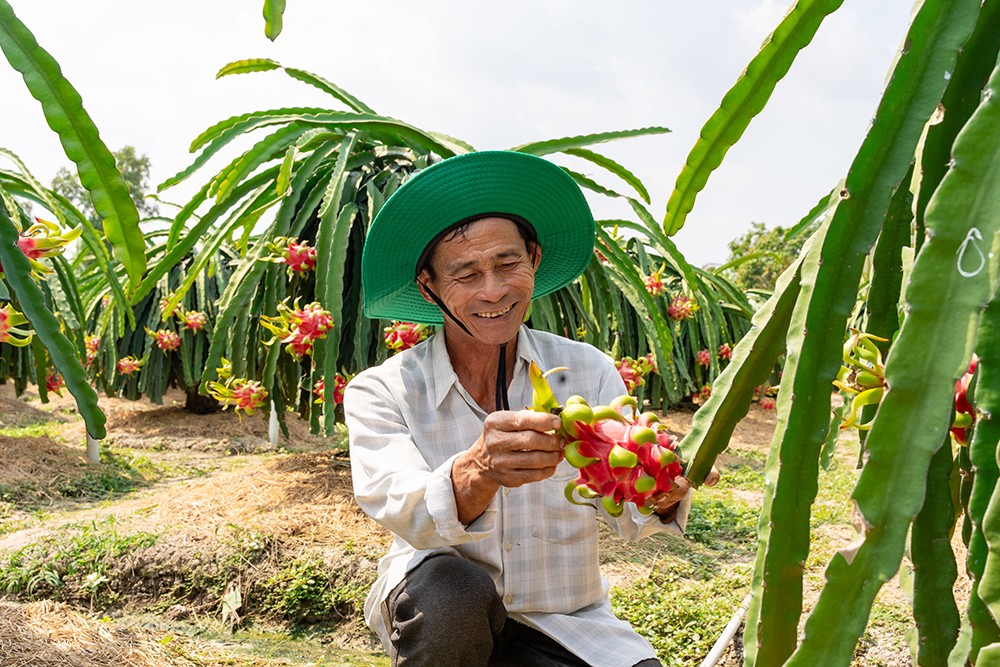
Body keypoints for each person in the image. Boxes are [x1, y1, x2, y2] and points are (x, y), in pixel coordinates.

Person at [345, 150, 717, 667]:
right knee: (453, 591)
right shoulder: (381, 390)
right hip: (438, 609)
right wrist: (477, 470)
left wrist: (659, 486)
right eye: (466, 274)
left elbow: (631, 515)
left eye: (507, 263)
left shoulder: (587, 370)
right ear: (428, 286)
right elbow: (401, 508)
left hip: (564, 617)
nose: (493, 290)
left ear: (535, 261)